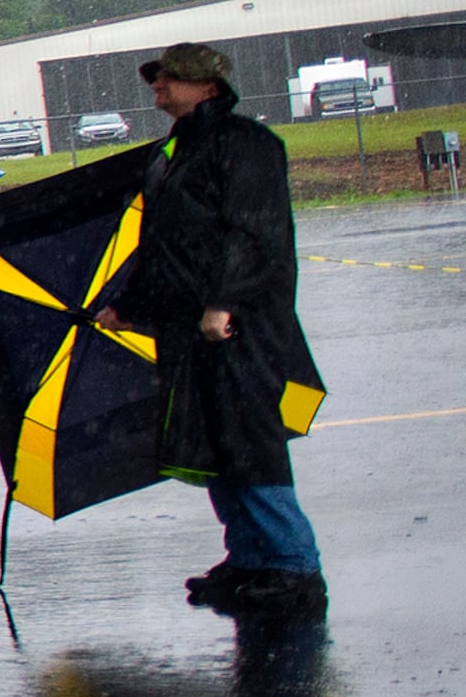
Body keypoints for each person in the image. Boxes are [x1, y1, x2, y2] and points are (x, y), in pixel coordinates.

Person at [93, 41, 328, 617]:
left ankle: (296, 567)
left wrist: (224, 303)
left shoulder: (248, 146)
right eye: (158, 78)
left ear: (207, 87)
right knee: (215, 443)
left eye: (169, 78)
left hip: (238, 327)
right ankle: (250, 557)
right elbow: (163, 247)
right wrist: (131, 305)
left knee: (250, 442)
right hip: (187, 329)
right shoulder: (171, 154)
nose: (158, 87)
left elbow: (254, 235)